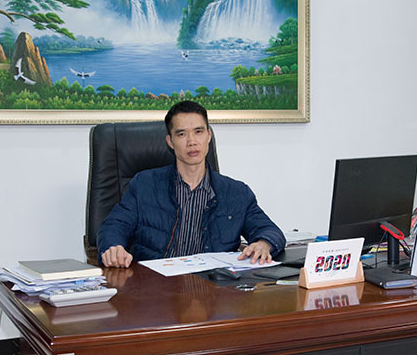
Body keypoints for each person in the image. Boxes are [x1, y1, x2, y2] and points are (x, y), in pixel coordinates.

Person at [98, 100, 285, 268]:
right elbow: (114, 225)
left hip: (214, 286)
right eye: (181, 134)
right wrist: (113, 248)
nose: (192, 142)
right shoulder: (145, 185)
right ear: (170, 142)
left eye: (198, 132)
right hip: (156, 286)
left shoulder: (236, 193)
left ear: (208, 136)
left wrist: (264, 243)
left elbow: (270, 231)